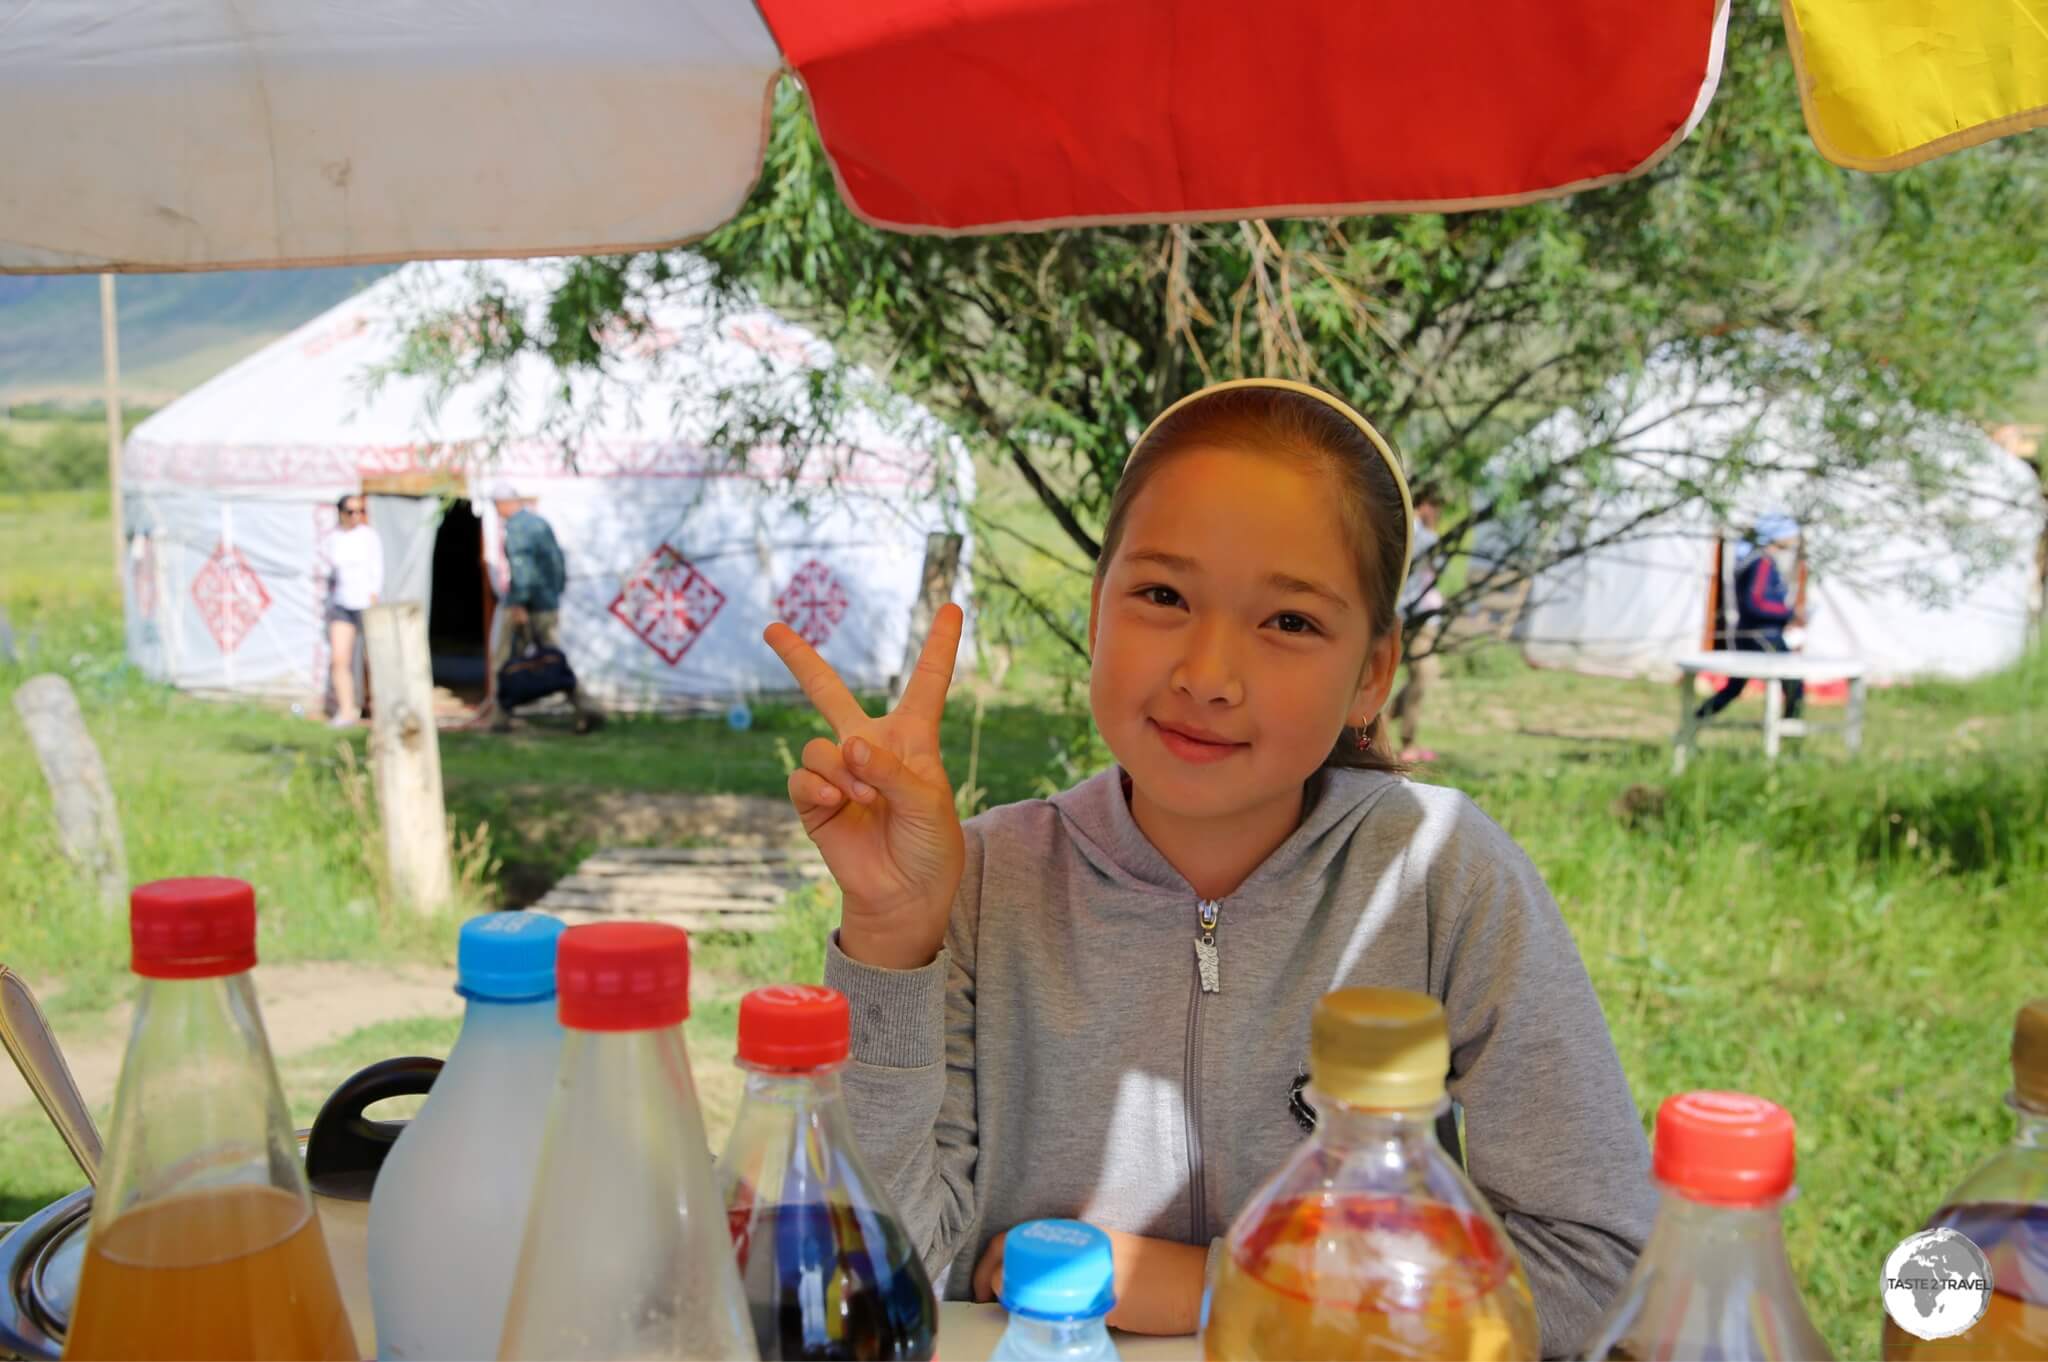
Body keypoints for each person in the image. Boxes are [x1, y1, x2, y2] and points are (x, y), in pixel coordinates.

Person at [763, 379, 1653, 1356]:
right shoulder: (981, 882)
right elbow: (891, 1275)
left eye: (1288, 623)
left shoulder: (1441, 877)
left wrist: (1197, 1285)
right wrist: (892, 935)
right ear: (1095, 612)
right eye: (1161, 596)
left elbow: (1596, 1268)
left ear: (1370, 674)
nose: (1206, 676)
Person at [478, 481, 604, 734]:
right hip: (547, 603)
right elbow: (557, 561)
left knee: (504, 659)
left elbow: (522, 569)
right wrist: (552, 595)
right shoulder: (539, 523)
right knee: (553, 658)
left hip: (527, 604)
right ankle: (587, 707)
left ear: (503, 504)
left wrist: (520, 604)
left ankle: (500, 717)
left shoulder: (517, 528)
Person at [1697, 512, 1805, 722]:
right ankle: (1788, 735)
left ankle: (1697, 719)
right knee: (1793, 685)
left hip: (1756, 633)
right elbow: (1756, 603)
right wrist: (1788, 614)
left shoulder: (1757, 560)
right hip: (1761, 636)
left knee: (1735, 687)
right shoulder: (1761, 563)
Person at [1388, 489, 1445, 763]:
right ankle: (1406, 743)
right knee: (1423, 675)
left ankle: (1381, 722)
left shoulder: (1414, 528)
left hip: (1419, 612)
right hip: (1412, 614)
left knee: (1419, 675)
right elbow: (1436, 557)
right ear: (1425, 505)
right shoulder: (1414, 530)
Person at [326, 492, 382, 727]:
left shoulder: (369, 537)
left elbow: (377, 570)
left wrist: (373, 598)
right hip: (342, 603)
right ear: (341, 513)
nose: (356, 516)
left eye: (360, 511)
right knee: (339, 659)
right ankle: (347, 710)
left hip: (365, 603)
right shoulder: (333, 538)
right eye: (351, 511)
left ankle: (380, 708)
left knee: (374, 660)